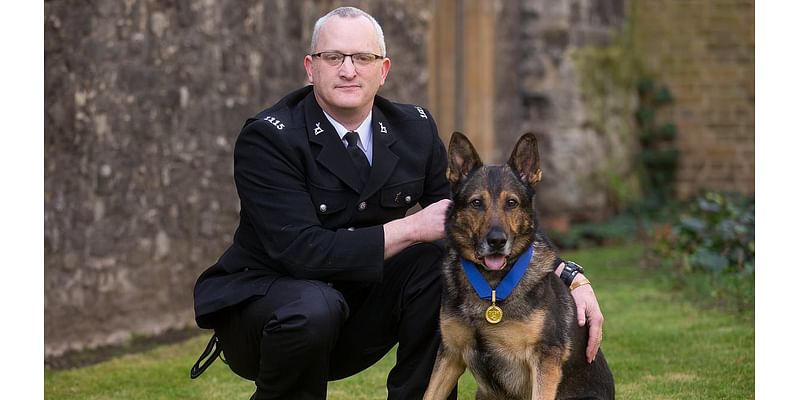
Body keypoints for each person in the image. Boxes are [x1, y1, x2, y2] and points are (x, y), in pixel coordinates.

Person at [192, 6, 604, 399]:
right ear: (310, 67)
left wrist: (568, 276)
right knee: (315, 305)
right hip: (270, 315)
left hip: (357, 310)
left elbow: (481, 218)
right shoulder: (270, 138)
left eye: (363, 57)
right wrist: (407, 228)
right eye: (333, 56)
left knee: (432, 267)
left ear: (383, 69)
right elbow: (301, 253)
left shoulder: (414, 128)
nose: (348, 70)